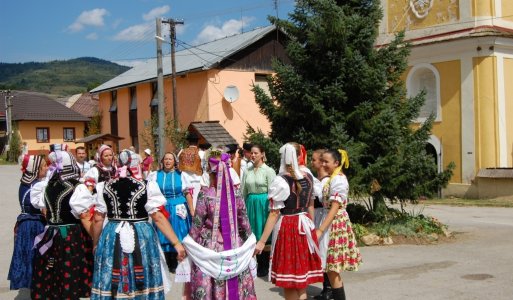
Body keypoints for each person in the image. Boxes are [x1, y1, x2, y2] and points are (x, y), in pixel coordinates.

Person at [89, 150, 186, 299]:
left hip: (112, 234)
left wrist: (96, 243)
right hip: (141, 236)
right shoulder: (147, 186)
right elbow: (158, 217)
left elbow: (97, 219)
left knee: (114, 273)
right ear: (137, 164)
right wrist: (176, 243)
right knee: (142, 273)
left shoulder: (104, 186)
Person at [176, 149, 257, 299]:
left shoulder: (205, 194)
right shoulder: (237, 193)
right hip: (234, 246)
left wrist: (186, 246)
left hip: (209, 249)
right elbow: (245, 224)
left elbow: (196, 226)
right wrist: (250, 245)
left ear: (209, 171)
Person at [255, 142, 323, 300]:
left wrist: (262, 241)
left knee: (289, 281)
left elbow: (273, 214)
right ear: (300, 156)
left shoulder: (281, 181)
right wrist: (313, 230)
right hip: (306, 225)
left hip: (289, 227)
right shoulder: (308, 176)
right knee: (300, 281)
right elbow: (311, 205)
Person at [30, 147, 94, 299]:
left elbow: (45, 211)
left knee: (52, 271)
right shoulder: (76, 187)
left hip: (51, 234)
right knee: (69, 273)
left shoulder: (46, 186)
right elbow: (84, 215)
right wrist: (95, 237)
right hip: (70, 237)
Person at [316, 149, 362, 300]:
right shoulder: (332, 178)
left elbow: (335, 206)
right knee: (330, 269)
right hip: (329, 221)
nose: (323, 164)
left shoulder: (339, 180)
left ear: (336, 163)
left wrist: (321, 229)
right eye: (322, 161)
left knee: (333, 269)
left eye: (326, 162)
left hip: (335, 224)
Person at [148, 152, 193, 273]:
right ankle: (168, 261)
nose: (168, 161)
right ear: (162, 161)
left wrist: (192, 210)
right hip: (162, 207)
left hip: (178, 207)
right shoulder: (155, 175)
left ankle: (179, 258)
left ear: (174, 162)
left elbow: (187, 193)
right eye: (166, 159)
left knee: (178, 232)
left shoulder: (181, 175)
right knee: (163, 232)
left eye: (170, 159)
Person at [8, 155, 48, 291]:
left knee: (27, 257)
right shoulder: (36, 186)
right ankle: (37, 287)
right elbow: (43, 209)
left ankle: (32, 286)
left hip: (25, 224)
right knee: (36, 257)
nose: (47, 168)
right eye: (44, 166)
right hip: (34, 224)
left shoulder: (25, 183)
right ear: (36, 169)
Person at [241, 144, 276, 277]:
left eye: (256, 153)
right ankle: (252, 263)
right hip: (251, 203)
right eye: (251, 153)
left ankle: (264, 265)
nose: (253, 155)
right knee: (252, 232)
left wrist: (270, 208)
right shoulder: (247, 171)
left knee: (263, 232)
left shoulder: (268, 171)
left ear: (262, 154)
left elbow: (273, 191)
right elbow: (243, 190)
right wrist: (242, 206)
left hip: (264, 203)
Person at [310, 148, 333, 300]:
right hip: (318, 215)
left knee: (325, 249)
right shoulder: (318, 179)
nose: (312, 162)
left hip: (323, 216)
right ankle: (326, 287)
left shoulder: (326, 181)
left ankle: (329, 288)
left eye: (314, 159)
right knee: (321, 250)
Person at [178, 132, 203, 210]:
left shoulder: (181, 152)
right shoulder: (201, 153)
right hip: (197, 182)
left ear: (188, 142)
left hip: (184, 181)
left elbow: (179, 165)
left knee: (186, 205)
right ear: (197, 142)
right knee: (196, 205)